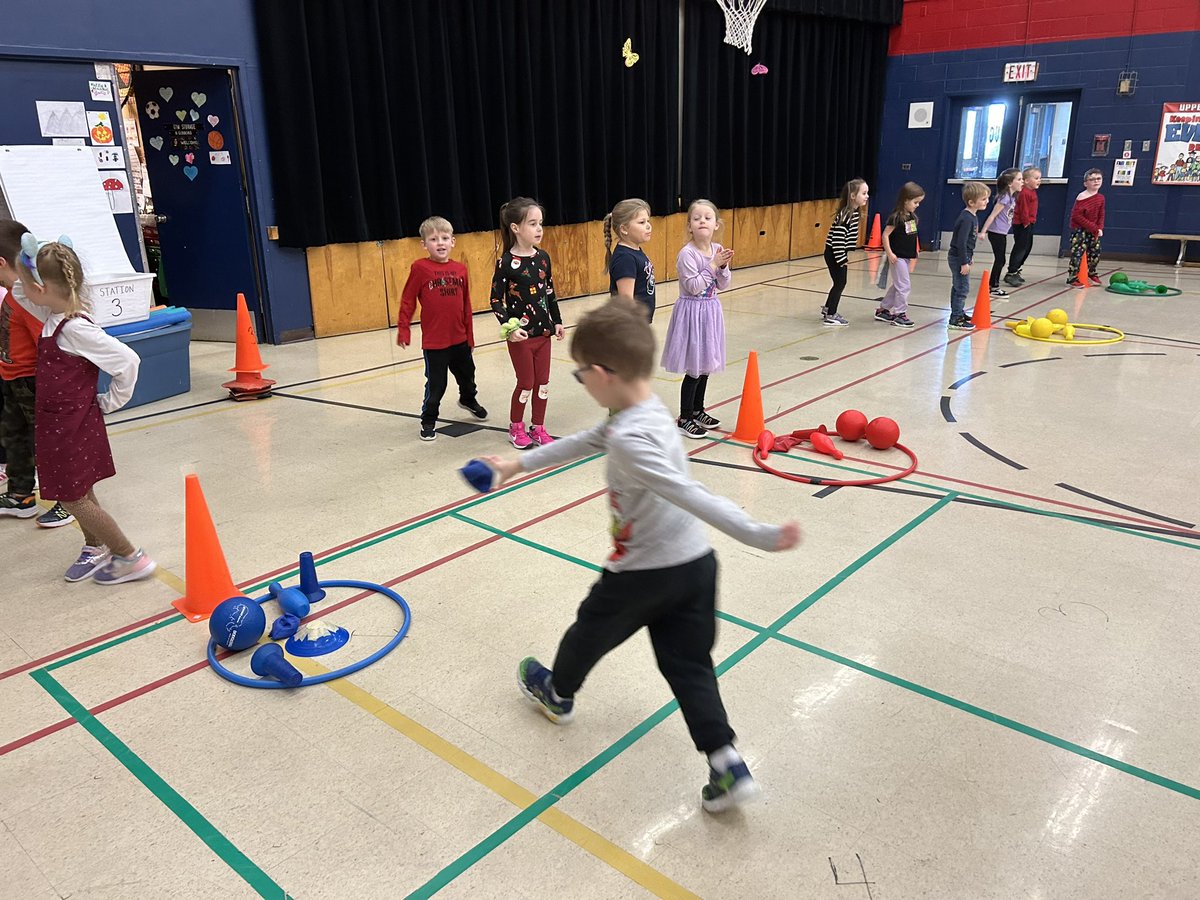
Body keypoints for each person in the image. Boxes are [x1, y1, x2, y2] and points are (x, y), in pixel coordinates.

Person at [480, 299, 801, 813]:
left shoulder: (630, 438)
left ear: (604, 375)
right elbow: (589, 439)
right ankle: (726, 762)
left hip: (644, 573)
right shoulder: (646, 411)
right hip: (696, 566)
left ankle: (557, 692)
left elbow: (687, 491)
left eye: (581, 373)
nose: (581, 381)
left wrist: (757, 533)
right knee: (689, 665)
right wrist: (516, 464)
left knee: (589, 630)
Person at [12, 235, 155, 584]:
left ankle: (128, 556)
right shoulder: (52, 313)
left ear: (42, 288)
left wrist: (110, 401)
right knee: (81, 488)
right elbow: (20, 293)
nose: (19, 291)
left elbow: (127, 361)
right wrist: (30, 270)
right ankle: (96, 545)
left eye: (27, 284)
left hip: (71, 428)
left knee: (72, 498)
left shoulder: (75, 328)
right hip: (61, 425)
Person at [0, 219, 77, 527]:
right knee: (14, 437)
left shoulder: (28, 300)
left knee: (48, 443)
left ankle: (69, 499)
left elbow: (47, 344)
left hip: (34, 382)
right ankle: (21, 495)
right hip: (11, 380)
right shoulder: (11, 296)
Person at [396, 216, 487, 442]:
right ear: (424, 244)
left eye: (445, 238)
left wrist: (470, 337)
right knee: (437, 385)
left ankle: (468, 399)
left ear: (453, 241)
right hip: (435, 344)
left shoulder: (460, 270)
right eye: (434, 239)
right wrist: (403, 329)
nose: (440, 243)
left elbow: (466, 305)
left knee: (468, 376)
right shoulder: (420, 268)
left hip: (459, 339)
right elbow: (408, 300)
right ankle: (428, 420)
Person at [489, 197, 563, 449]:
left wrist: (558, 322)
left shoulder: (543, 258)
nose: (539, 229)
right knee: (526, 384)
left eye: (540, 223)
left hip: (544, 335)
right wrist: (509, 329)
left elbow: (549, 291)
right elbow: (495, 300)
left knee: (543, 384)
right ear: (515, 228)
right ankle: (516, 427)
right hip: (521, 337)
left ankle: (538, 427)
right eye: (532, 224)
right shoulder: (506, 263)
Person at [660, 199, 732, 438]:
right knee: (693, 367)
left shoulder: (718, 250)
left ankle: (699, 409)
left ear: (716, 225)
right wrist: (713, 265)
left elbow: (723, 284)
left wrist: (722, 268)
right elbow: (693, 286)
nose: (702, 221)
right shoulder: (687, 254)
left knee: (705, 365)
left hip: (710, 312)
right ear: (689, 226)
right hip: (692, 313)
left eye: (707, 218)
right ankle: (685, 416)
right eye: (697, 218)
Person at [875, 182, 924, 328]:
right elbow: (885, 236)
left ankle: (883, 309)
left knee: (898, 285)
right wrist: (889, 253)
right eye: (915, 202)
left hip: (906, 256)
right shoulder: (896, 217)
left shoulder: (911, 217)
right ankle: (899, 313)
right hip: (897, 257)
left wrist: (915, 251)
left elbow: (911, 235)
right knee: (904, 286)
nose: (917, 205)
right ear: (905, 200)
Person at [821, 179, 868, 326]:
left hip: (838, 252)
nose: (867, 196)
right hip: (835, 252)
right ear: (853, 196)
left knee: (838, 282)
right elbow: (838, 239)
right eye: (864, 193)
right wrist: (841, 259)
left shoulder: (854, 213)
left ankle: (828, 308)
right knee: (841, 282)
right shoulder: (846, 214)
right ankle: (831, 314)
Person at [946, 182, 990, 330]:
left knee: (958, 287)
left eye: (986, 198)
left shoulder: (972, 216)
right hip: (958, 258)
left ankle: (958, 312)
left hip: (962, 257)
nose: (987, 202)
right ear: (971, 202)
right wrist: (964, 261)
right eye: (983, 199)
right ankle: (956, 319)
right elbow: (961, 242)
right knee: (962, 288)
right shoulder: (966, 218)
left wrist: (969, 256)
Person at [604, 198, 656, 322]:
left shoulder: (635, 251)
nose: (648, 226)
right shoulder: (625, 258)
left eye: (648, 221)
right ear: (624, 229)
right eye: (642, 222)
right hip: (631, 325)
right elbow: (626, 301)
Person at [980, 168, 1023, 298]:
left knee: (1000, 260)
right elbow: (992, 215)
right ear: (1010, 183)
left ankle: (992, 285)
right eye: (1019, 180)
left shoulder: (1012, 197)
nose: (1022, 182)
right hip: (996, 232)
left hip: (1001, 232)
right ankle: (993, 287)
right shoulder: (1004, 198)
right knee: (1000, 260)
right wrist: (983, 231)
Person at [1067, 169, 1105, 287]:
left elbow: (1101, 214)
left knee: (1095, 252)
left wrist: (1099, 228)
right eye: (1092, 179)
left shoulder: (1101, 198)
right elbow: (1077, 216)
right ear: (1085, 183)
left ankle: (1092, 273)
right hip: (1079, 229)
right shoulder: (1082, 197)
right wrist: (1093, 227)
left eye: (1098, 179)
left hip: (1093, 230)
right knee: (1077, 253)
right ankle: (1072, 278)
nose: (1095, 181)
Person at [1004, 167, 1040, 287]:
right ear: (1026, 181)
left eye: (1039, 178)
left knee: (1027, 247)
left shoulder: (1032, 192)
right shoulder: (1024, 192)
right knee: (1021, 247)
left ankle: (1017, 269)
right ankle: (1011, 271)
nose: (1039, 181)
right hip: (1022, 223)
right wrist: (1026, 222)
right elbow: (1023, 209)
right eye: (1036, 178)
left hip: (1029, 223)